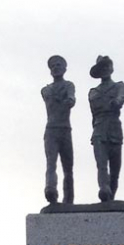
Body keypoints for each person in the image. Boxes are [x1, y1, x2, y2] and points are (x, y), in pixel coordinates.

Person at [88, 55, 124, 202]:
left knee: (115, 169)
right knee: (102, 164)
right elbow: (93, 114)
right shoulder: (93, 92)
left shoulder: (119, 86)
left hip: (115, 129)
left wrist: (117, 102)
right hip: (99, 130)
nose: (105, 69)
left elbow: (121, 98)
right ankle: (104, 189)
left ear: (111, 68)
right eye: (101, 67)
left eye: (107, 66)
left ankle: (111, 197)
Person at [41, 55, 75, 205]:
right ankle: (51, 189)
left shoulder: (68, 85)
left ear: (65, 68)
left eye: (59, 65)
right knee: (51, 162)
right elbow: (48, 96)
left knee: (68, 167)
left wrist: (69, 100)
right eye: (53, 66)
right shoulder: (46, 90)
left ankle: (69, 198)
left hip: (65, 129)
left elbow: (71, 99)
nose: (56, 68)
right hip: (51, 129)